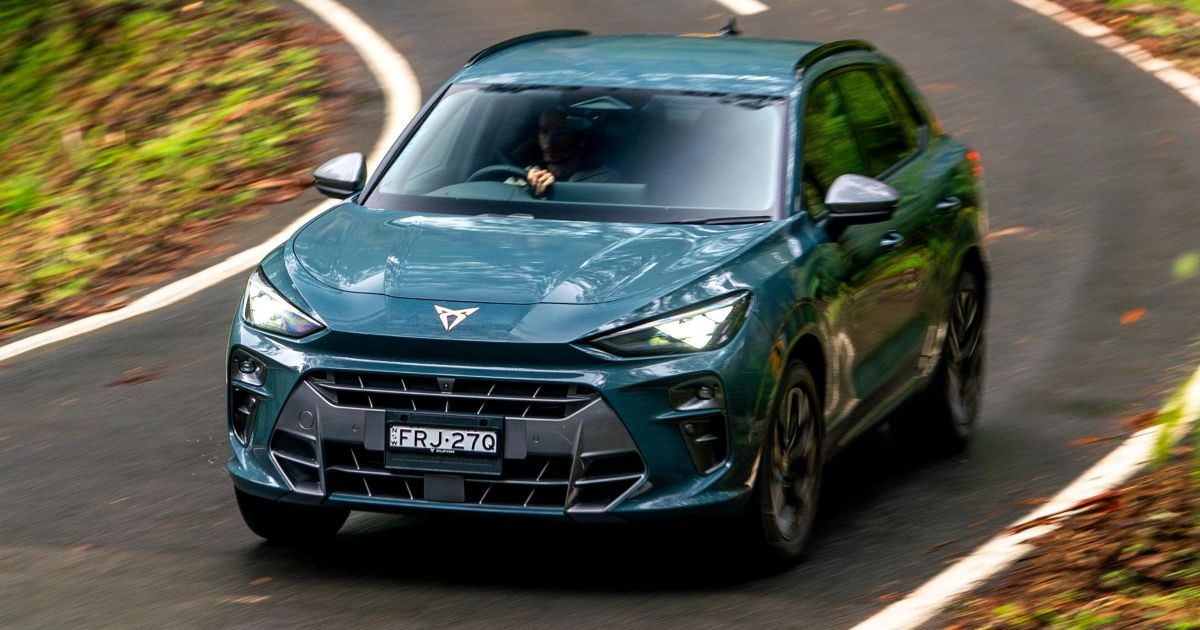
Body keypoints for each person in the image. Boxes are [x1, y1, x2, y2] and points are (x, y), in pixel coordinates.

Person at [525, 109, 614, 196]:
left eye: (560, 133)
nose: (550, 141)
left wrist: (553, 187)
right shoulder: (529, 172)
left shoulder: (603, 181)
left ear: (581, 139)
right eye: (544, 131)